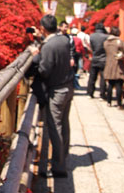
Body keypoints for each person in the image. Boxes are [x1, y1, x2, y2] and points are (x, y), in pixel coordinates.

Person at [36, 15, 75, 178]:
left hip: (56, 91)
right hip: (68, 87)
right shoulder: (64, 40)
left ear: (43, 29)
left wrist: (36, 55)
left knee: (54, 128)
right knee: (64, 125)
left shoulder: (48, 46)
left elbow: (44, 70)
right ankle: (62, 158)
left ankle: (58, 167)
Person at [103, 26, 124, 108]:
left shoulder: (106, 42)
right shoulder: (119, 42)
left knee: (110, 84)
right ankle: (118, 102)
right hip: (118, 64)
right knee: (118, 84)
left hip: (109, 63)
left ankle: (109, 101)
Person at [87, 22, 109, 100]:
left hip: (95, 58)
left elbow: (92, 47)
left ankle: (90, 92)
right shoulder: (106, 37)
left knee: (92, 76)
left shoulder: (92, 36)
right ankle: (102, 94)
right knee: (103, 77)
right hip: (103, 59)